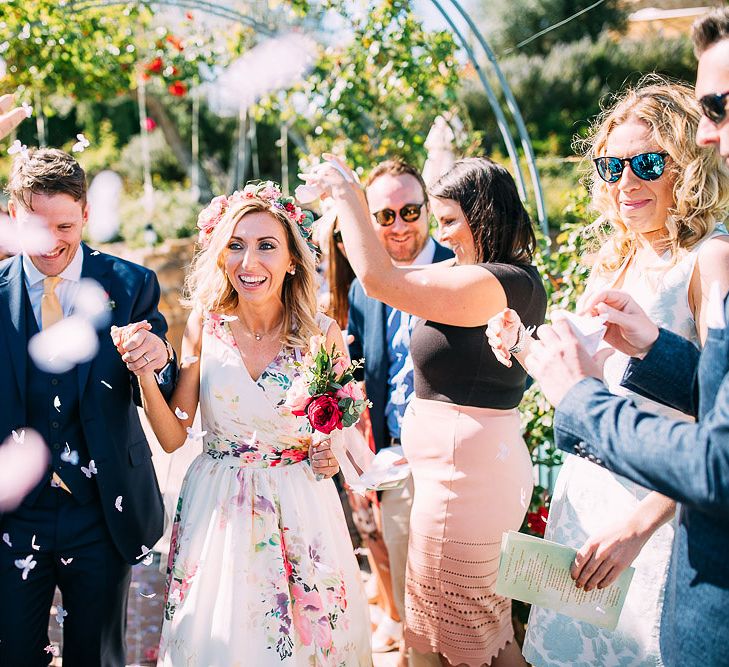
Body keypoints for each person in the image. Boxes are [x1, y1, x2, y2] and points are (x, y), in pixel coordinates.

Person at [487, 78, 729, 666]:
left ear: (689, 165)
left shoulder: (710, 259)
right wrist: (525, 346)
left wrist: (638, 529)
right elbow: (593, 383)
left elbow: (718, 432)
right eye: (610, 166)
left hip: (654, 519)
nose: (626, 181)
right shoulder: (617, 257)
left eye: (647, 162)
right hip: (587, 502)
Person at [115, 181, 371, 665]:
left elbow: (338, 438)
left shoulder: (322, 335)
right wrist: (145, 376)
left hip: (299, 507)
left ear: (293, 259)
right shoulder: (205, 327)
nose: (248, 262)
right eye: (236, 245)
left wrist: (328, 454)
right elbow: (172, 437)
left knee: (303, 644)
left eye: (266, 246)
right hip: (219, 510)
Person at [309, 155, 547, 667]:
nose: (440, 235)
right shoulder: (480, 275)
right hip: (454, 475)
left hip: (464, 483)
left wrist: (349, 197)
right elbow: (390, 275)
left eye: (446, 221)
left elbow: (381, 281)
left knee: (445, 636)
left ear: (482, 216)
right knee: (485, 632)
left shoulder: (499, 282)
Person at [0, 148, 177, 666]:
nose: (52, 242)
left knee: (97, 658)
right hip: (13, 511)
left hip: (101, 509)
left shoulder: (130, 284)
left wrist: (157, 355)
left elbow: (163, 370)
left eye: (65, 226)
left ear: (85, 216)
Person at [347, 158, 453, 658]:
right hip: (396, 456)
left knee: (465, 597)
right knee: (411, 592)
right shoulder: (363, 288)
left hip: (457, 458)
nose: (399, 226)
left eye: (409, 211)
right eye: (384, 216)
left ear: (426, 209)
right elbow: (365, 371)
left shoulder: (461, 268)